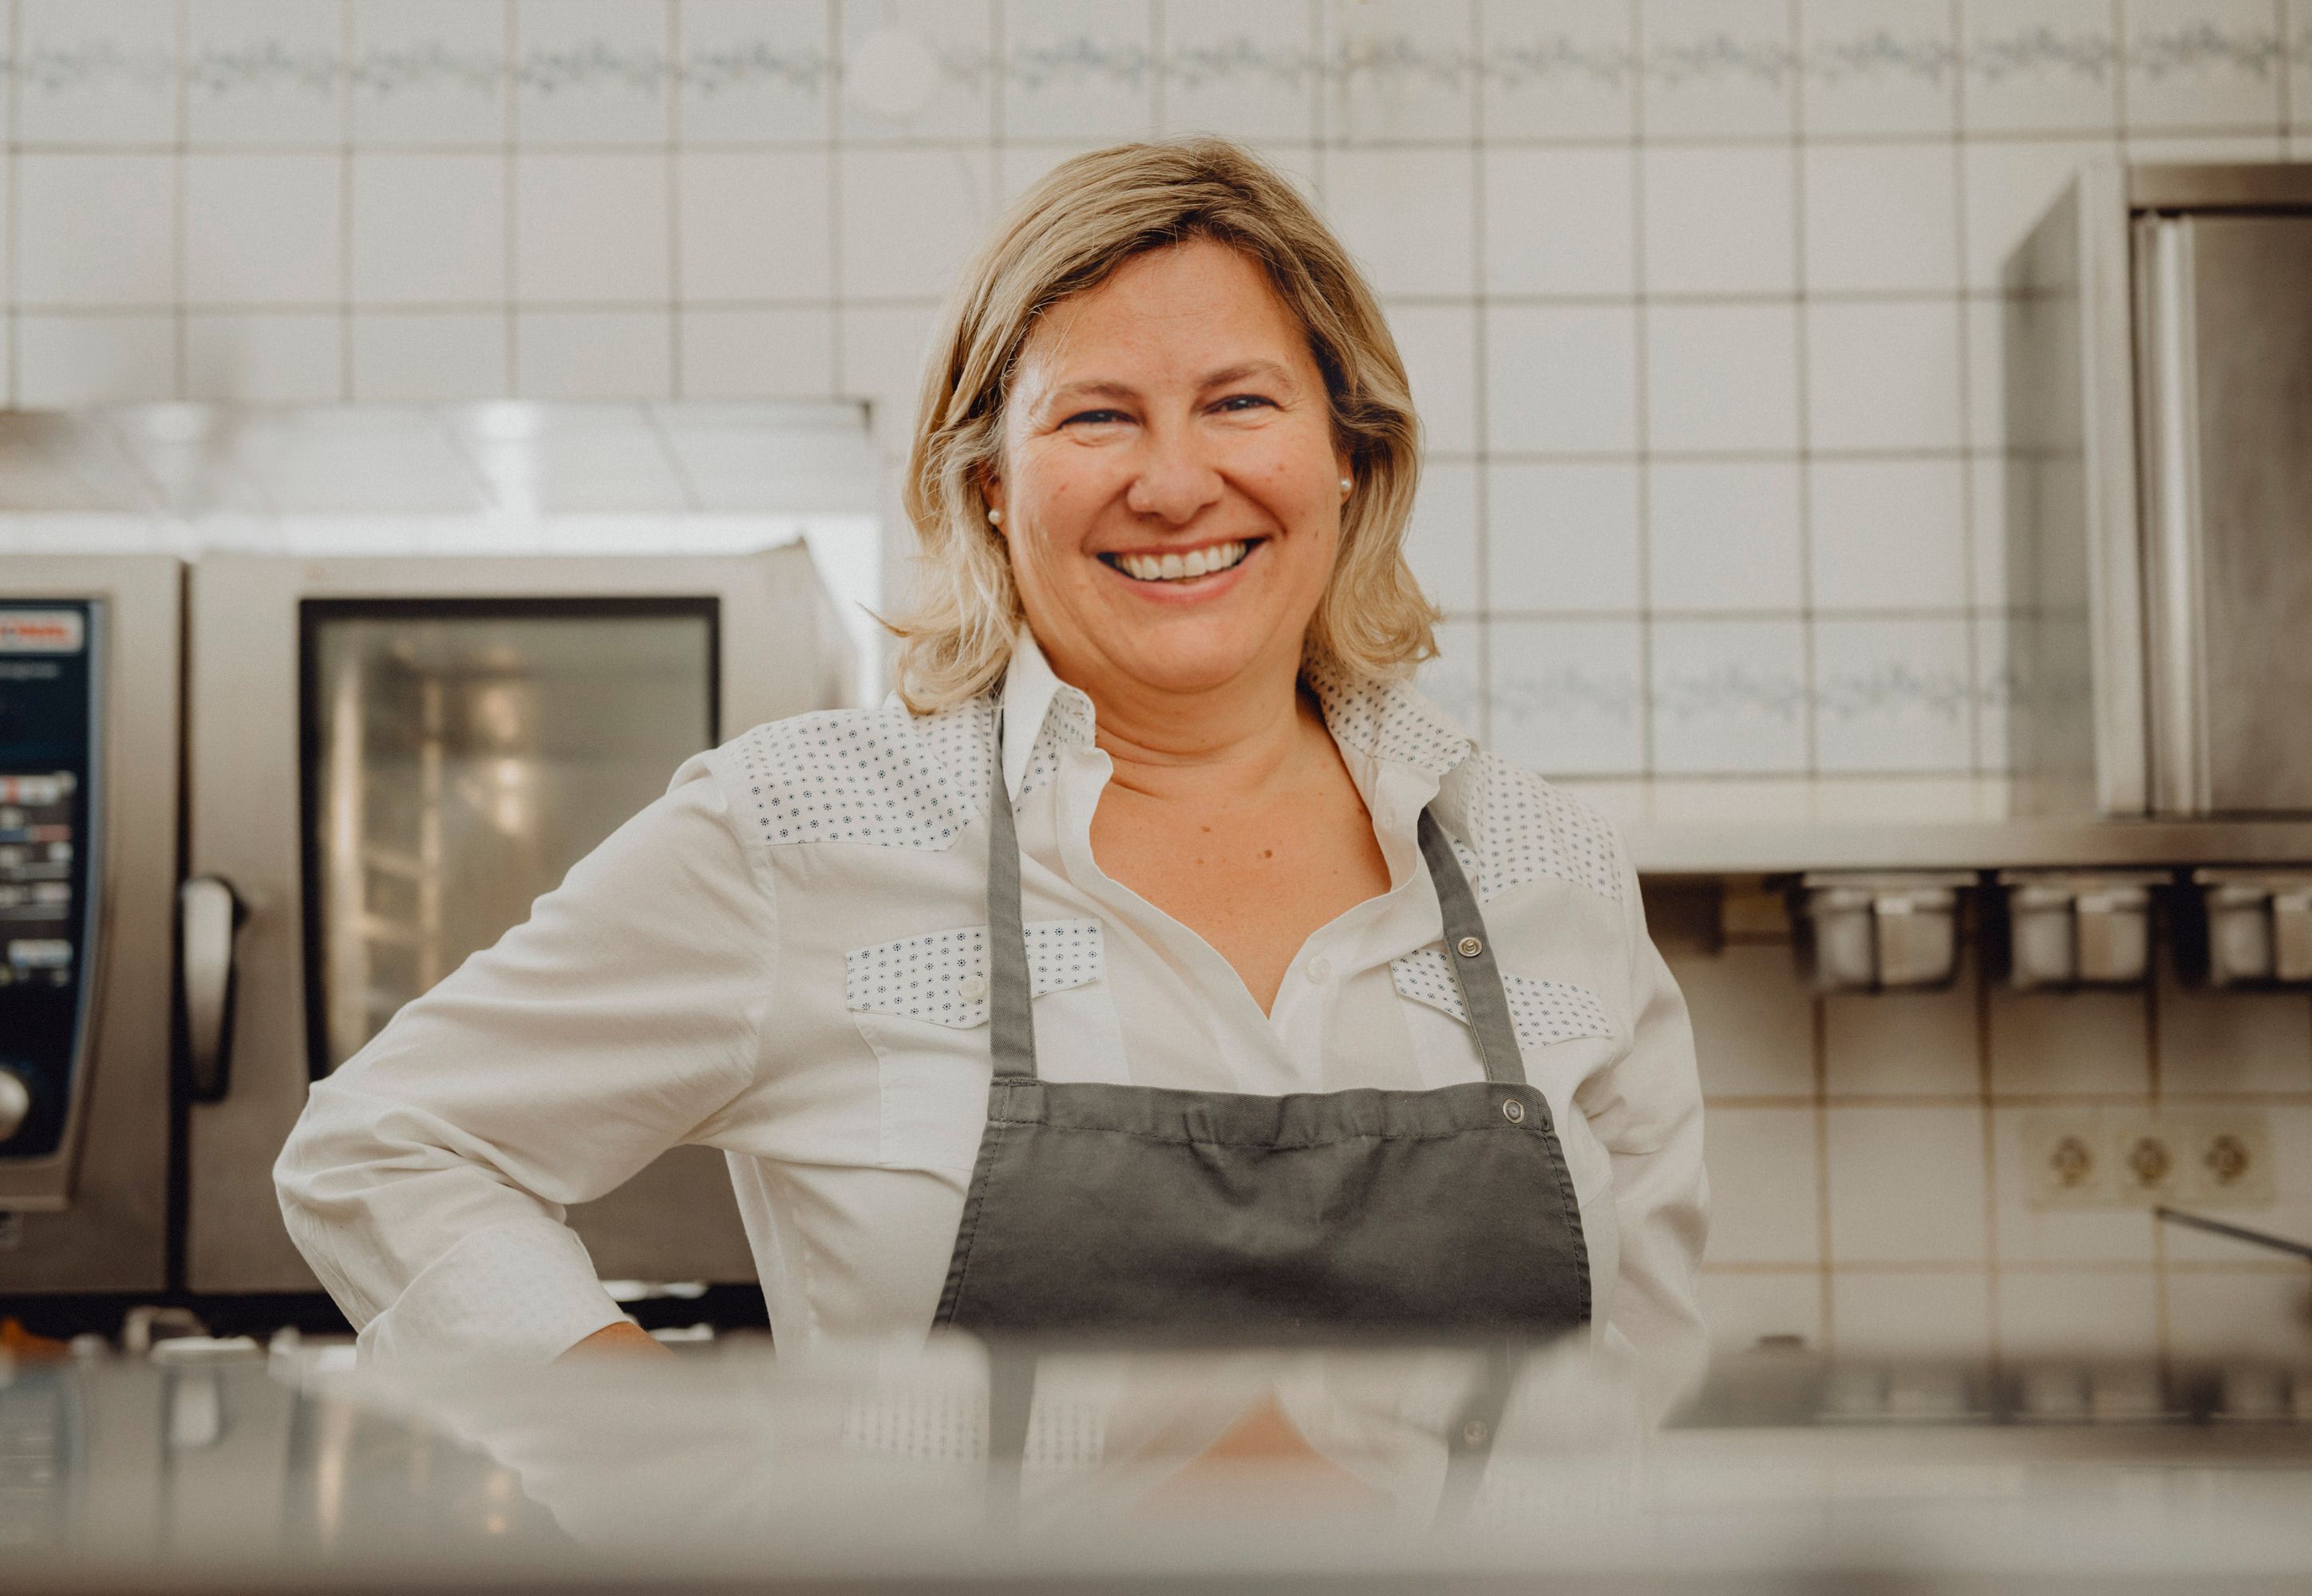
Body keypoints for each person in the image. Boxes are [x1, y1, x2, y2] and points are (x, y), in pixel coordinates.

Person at [275, 136, 1707, 1391]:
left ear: (1350, 455)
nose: (1171, 481)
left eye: (1240, 403)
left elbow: (1638, 1398)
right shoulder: (799, 830)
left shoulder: (1539, 862)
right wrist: (668, 1471)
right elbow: (383, 1150)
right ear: (988, 485)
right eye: (1095, 416)